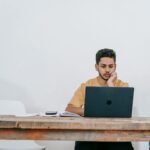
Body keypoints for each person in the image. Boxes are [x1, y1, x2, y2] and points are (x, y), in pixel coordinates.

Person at [65, 48, 134, 150]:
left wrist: (110, 84)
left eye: (111, 66)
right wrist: (90, 111)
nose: (107, 70)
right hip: (90, 134)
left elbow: (122, 111)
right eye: (103, 66)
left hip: (116, 135)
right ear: (96, 67)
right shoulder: (87, 85)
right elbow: (69, 108)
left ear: (115, 67)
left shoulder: (123, 86)